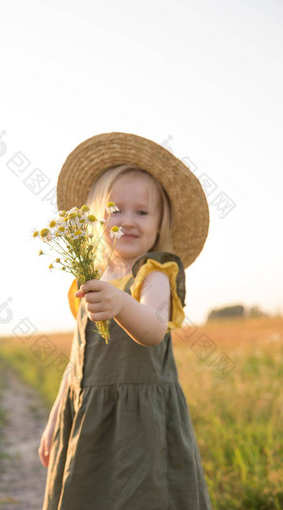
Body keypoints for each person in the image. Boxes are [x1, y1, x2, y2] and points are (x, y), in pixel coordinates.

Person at [39, 132, 213, 509]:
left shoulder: (154, 273)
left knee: (142, 495)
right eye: (116, 210)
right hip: (88, 415)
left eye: (142, 212)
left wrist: (120, 301)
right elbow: (78, 358)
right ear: (99, 217)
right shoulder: (89, 278)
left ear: (159, 222)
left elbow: (152, 329)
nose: (128, 221)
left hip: (141, 422)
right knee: (88, 492)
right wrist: (57, 413)